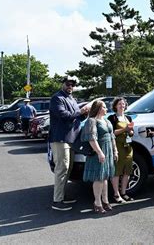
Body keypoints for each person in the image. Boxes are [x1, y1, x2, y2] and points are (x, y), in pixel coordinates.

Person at [49, 76, 89, 211]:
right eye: (68, 84)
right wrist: (80, 111)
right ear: (63, 84)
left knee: (68, 168)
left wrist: (84, 114)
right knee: (62, 168)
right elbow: (64, 115)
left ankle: (61, 196)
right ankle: (57, 201)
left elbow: (76, 117)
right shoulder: (57, 98)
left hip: (72, 139)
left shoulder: (71, 99)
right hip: (60, 138)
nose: (70, 86)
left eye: (72, 85)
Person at [82, 100, 118, 214]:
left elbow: (112, 137)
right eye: (104, 107)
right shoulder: (91, 121)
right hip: (98, 153)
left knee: (105, 176)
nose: (106, 109)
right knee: (99, 177)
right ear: (98, 108)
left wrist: (115, 150)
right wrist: (99, 152)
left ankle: (105, 200)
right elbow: (92, 139)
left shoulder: (106, 120)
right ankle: (97, 203)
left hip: (108, 151)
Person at [107, 97, 134, 203]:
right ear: (115, 106)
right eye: (119, 104)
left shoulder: (128, 118)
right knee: (117, 171)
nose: (122, 106)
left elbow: (131, 133)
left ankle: (123, 193)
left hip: (128, 147)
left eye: (123, 104)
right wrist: (124, 129)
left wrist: (130, 132)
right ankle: (116, 194)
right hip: (117, 146)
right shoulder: (112, 118)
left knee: (127, 171)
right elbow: (111, 133)